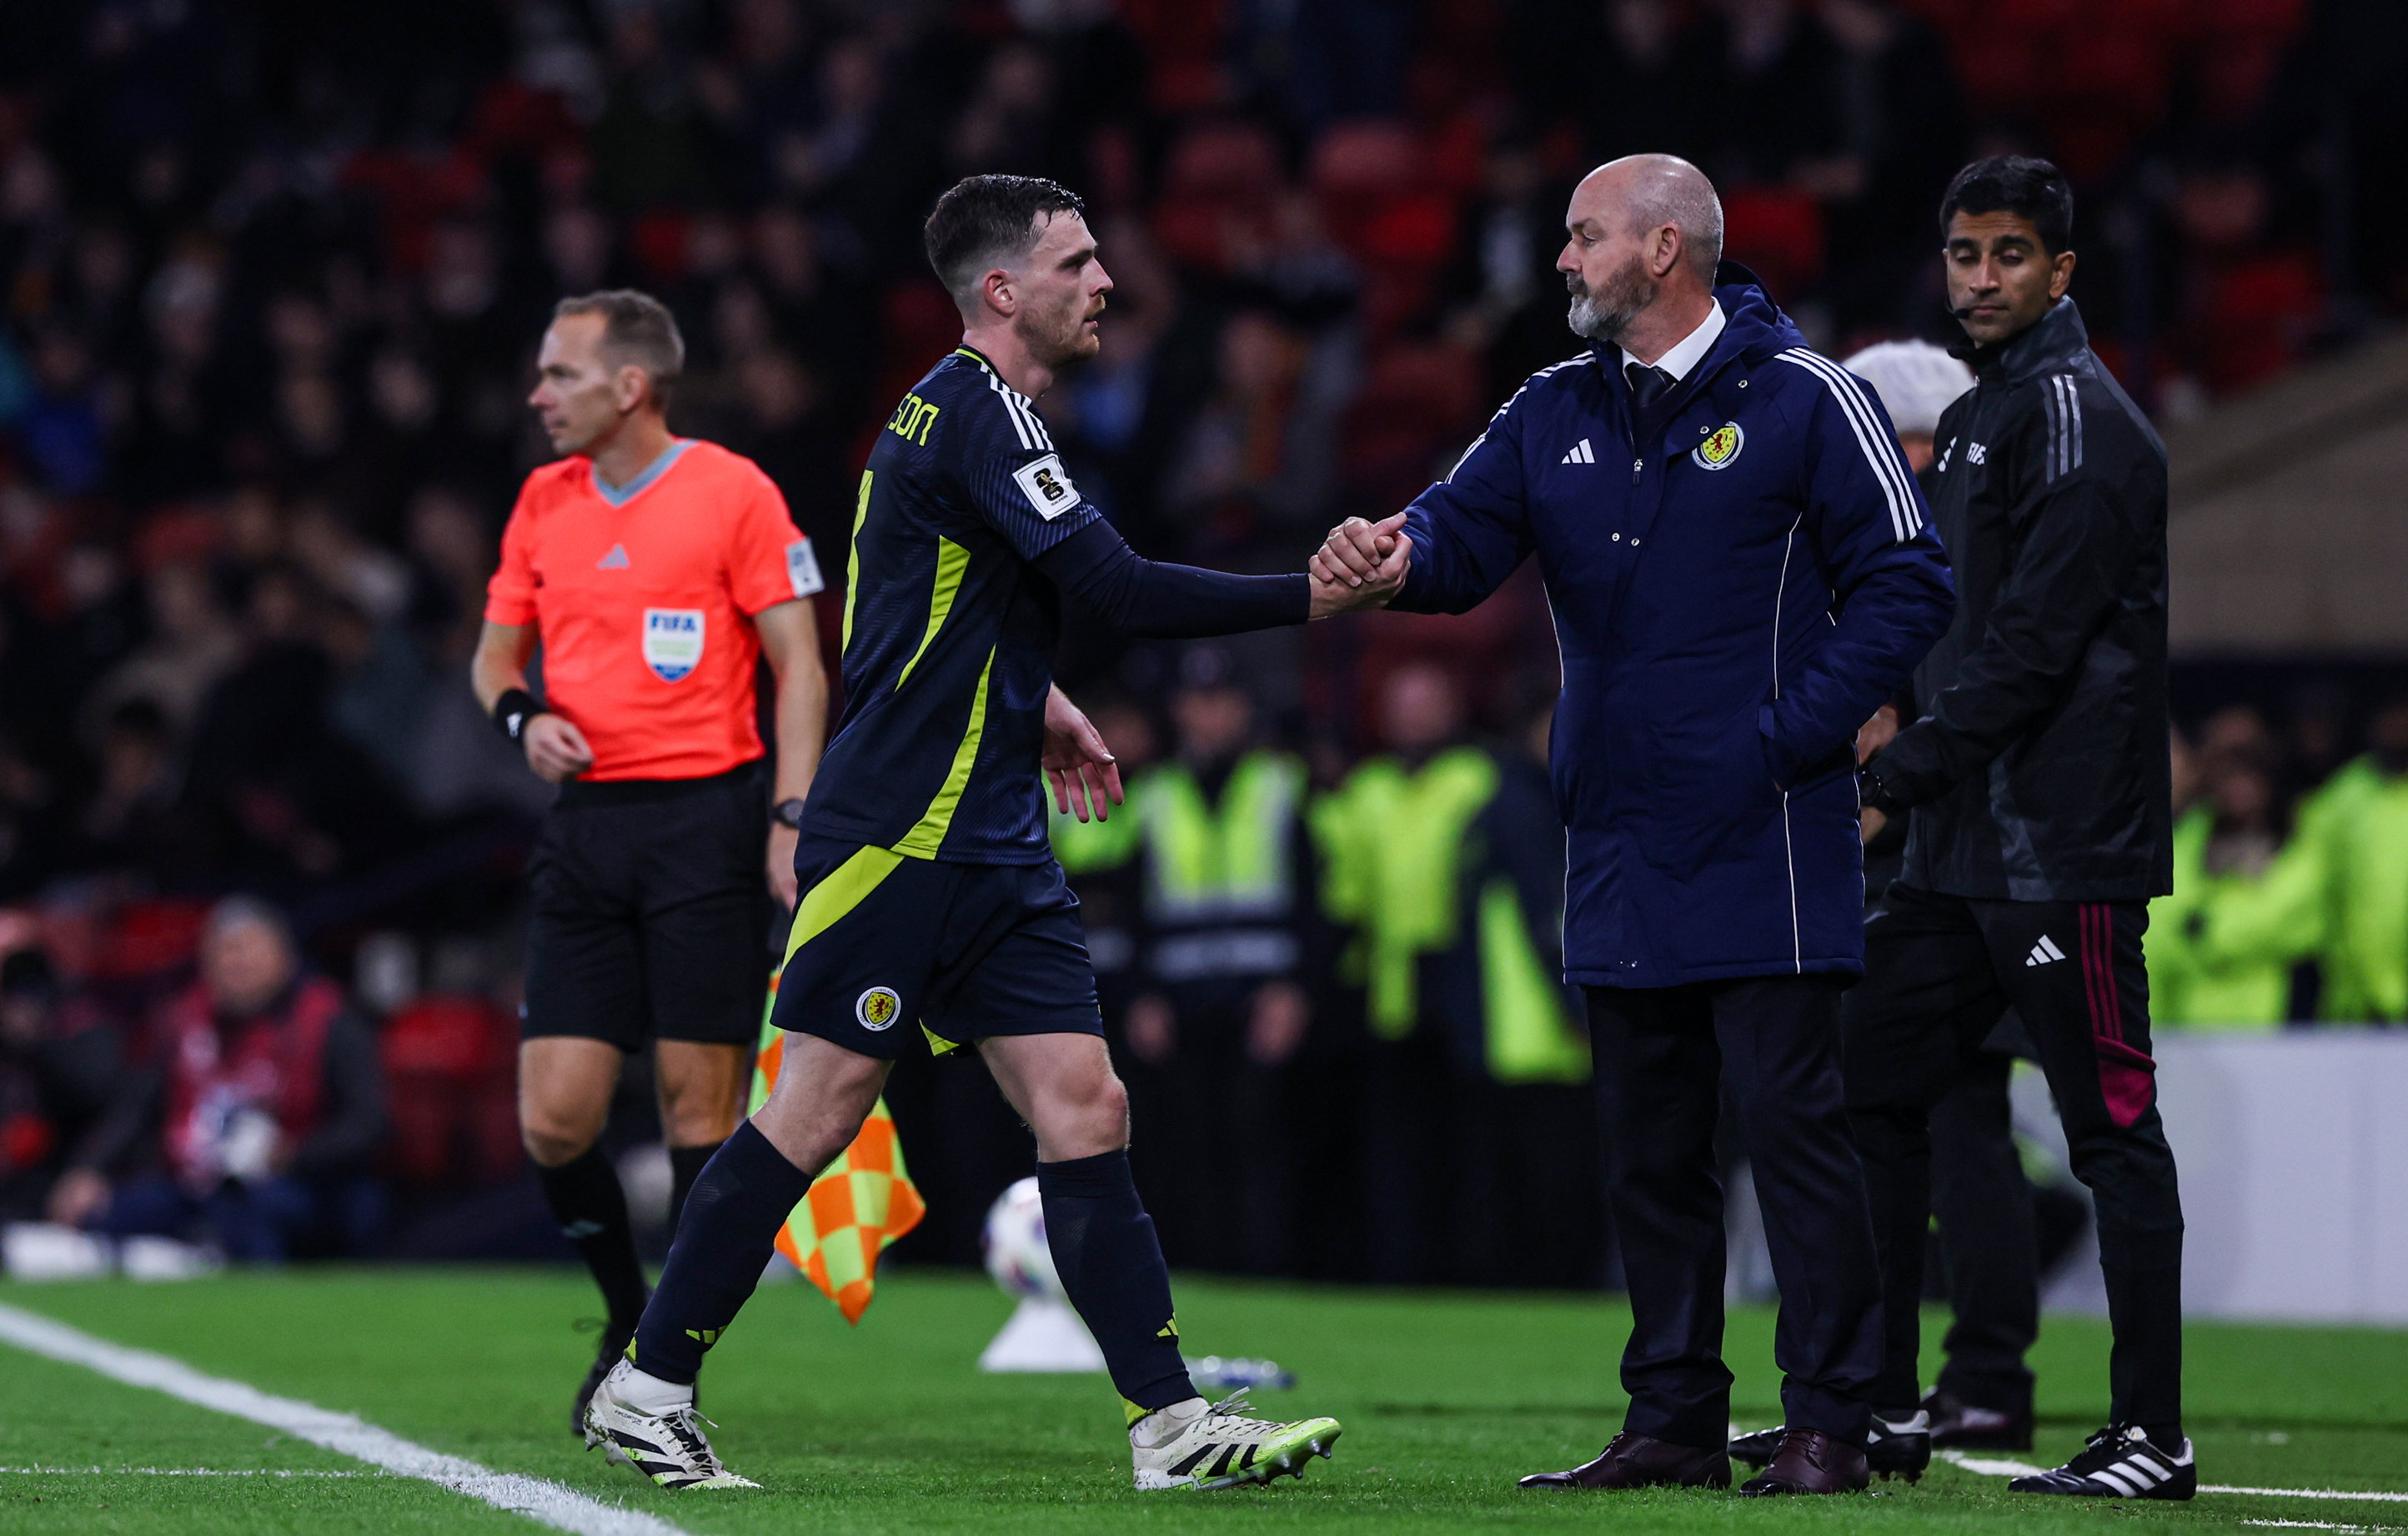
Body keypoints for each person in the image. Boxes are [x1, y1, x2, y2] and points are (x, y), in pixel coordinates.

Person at [581, 175, 1393, 1493]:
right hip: (907, 833)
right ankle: (648, 1386)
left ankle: (1169, 1425)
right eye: (1077, 263)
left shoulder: (949, 415)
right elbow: (1117, 586)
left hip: (995, 838)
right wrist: (1311, 596)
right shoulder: (978, 413)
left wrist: (1038, 697)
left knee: (1088, 1102)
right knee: (815, 1110)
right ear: (1003, 290)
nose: (1105, 282)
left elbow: (917, 600)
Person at [1315, 154, 1953, 1496]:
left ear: (1664, 249)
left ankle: (1833, 1418)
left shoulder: (1808, 396)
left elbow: (1909, 581)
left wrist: (1791, 735)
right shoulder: (1552, 405)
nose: (1561, 258)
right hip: (1616, 833)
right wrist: (1390, 555)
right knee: (1651, 1148)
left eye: (1582, 234)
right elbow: (1457, 536)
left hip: (1766, 829)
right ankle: (1672, 1418)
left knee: (1793, 1133)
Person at [1838, 156, 2193, 1499]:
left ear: (2061, 269)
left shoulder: (2087, 424)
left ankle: (2152, 1434)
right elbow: (1962, 631)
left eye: (2009, 255)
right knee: (1870, 1083)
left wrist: (1897, 770)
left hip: (2060, 850)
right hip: (1963, 849)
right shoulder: (1990, 411)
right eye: (1964, 253)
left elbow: (2033, 649)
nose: (1982, 278)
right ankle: (1876, 1403)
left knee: (2110, 1132)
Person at [471, 289, 830, 1433]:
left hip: (706, 825)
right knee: (554, 1119)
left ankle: (666, 1372)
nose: (539, 395)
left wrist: (791, 815)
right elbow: (493, 661)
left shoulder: (734, 491)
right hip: (586, 829)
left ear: (630, 387)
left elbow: (800, 664)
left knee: (696, 1109)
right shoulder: (542, 499)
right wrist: (524, 717)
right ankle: (628, 1312)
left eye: (560, 374)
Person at [1313, 660, 1595, 1287]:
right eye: (1403, 706)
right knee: (1401, 1147)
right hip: (1392, 988)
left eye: (1426, 704)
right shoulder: (1367, 788)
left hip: (1465, 978)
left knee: (1473, 1141)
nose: (1414, 719)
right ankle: (1408, 1272)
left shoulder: (1482, 777)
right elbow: (1346, 895)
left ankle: (1475, 1270)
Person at [1118, 649, 1315, 1275]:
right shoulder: (1152, 793)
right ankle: (1197, 1274)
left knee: (1263, 1141)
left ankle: (1267, 1274)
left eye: (1222, 701)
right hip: (1180, 1000)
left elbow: (1318, 898)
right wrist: (1141, 996)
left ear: (1244, 709)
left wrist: (1295, 988)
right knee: (1186, 1145)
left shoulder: (1283, 783)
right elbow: (1131, 905)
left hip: (1262, 996)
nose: (1210, 715)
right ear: (1178, 710)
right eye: (1198, 702)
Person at [51, 899, 388, 1261]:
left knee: (252, 1218)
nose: (236, 964)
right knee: (107, 1216)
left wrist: (290, 1154)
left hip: (295, 1183)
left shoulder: (328, 1021)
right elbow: (135, 1109)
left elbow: (368, 1122)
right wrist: (88, 1169)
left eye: (249, 951)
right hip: (193, 1182)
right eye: (225, 951)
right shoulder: (181, 1020)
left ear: (285, 958)